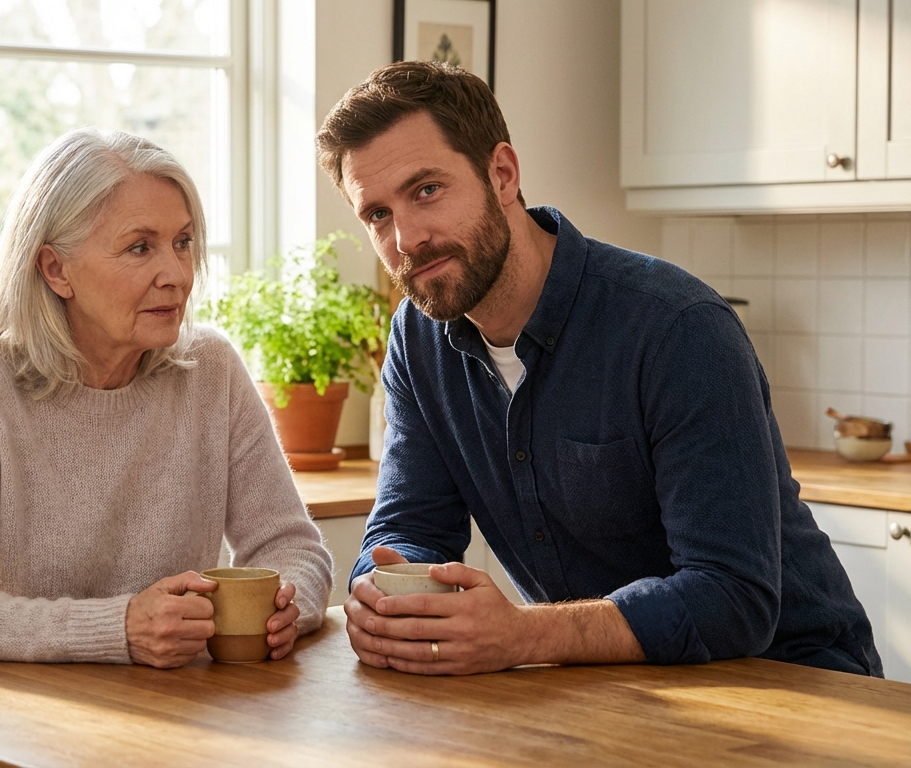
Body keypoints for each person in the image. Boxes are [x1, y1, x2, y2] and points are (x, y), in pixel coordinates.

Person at [315, 61, 881, 677]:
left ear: (502, 174)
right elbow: (409, 525)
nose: (406, 238)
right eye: (376, 215)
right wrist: (382, 590)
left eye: (426, 190)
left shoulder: (676, 326)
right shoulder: (417, 337)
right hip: (605, 688)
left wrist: (523, 635)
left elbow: (732, 596)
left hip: (798, 686)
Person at [0, 128, 334, 671]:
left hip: (167, 719)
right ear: (55, 269)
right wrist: (117, 629)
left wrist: (286, 607)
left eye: (183, 243)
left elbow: (294, 549)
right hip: (12, 728)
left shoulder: (211, 369)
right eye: (140, 247)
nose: (177, 275)